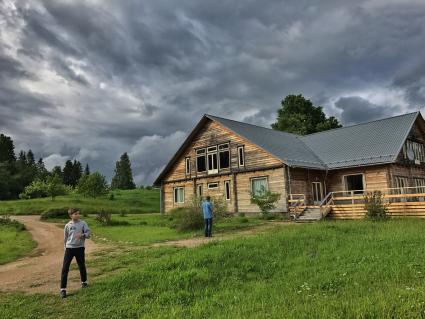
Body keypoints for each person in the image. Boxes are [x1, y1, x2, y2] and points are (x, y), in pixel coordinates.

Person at [60, 208, 91, 299]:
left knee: (82, 265)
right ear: (70, 215)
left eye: (78, 213)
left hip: (80, 248)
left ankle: (84, 283)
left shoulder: (83, 223)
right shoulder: (67, 225)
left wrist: (83, 235)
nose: (78, 215)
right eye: (75, 214)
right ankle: (63, 289)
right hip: (69, 249)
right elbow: (65, 238)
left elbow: (88, 233)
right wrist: (66, 247)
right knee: (65, 268)